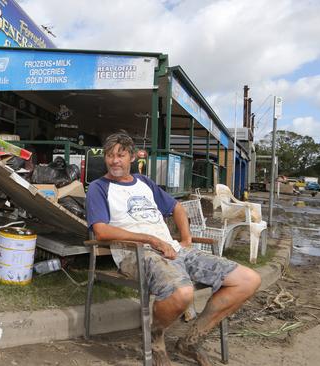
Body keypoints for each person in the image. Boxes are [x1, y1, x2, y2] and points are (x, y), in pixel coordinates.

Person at [86, 132, 261, 366]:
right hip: (136, 254)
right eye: (110, 156)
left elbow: (177, 207)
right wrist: (151, 240)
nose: (115, 161)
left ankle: (190, 341)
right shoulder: (99, 188)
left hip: (173, 249)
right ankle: (156, 338)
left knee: (248, 280)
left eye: (121, 155)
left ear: (131, 158)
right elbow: (102, 232)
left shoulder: (145, 183)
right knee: (183, 293)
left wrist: (186, 238)